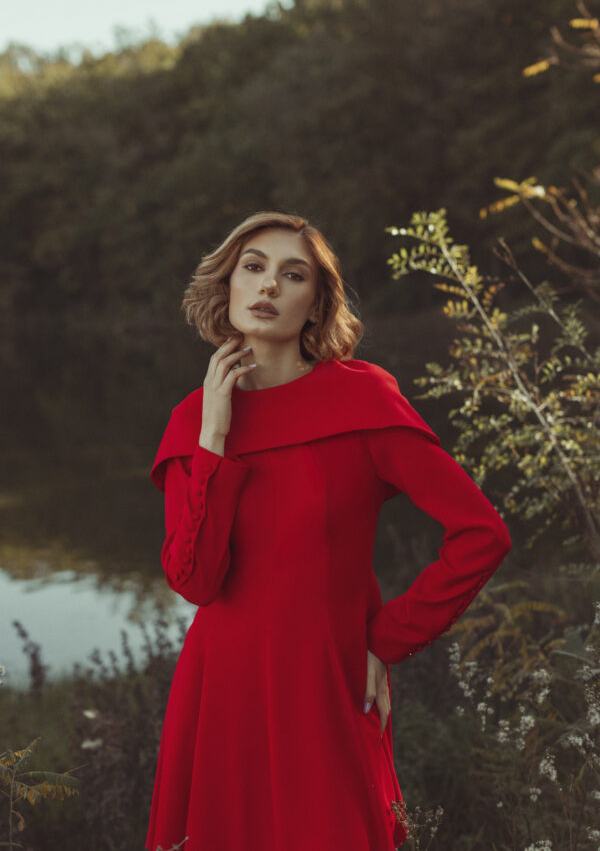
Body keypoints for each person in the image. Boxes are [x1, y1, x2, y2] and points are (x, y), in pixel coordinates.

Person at [144, 211, 512, 851]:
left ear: (315, 304)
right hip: (222, 687)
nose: (268, 287)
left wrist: (387, 639)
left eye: (293, 275)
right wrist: (213, 438)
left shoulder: (362, 402)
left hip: (329, 681)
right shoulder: (192, 422)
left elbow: (481, 532)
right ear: (227, 285)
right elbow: (196, 581)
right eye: (253, 268)